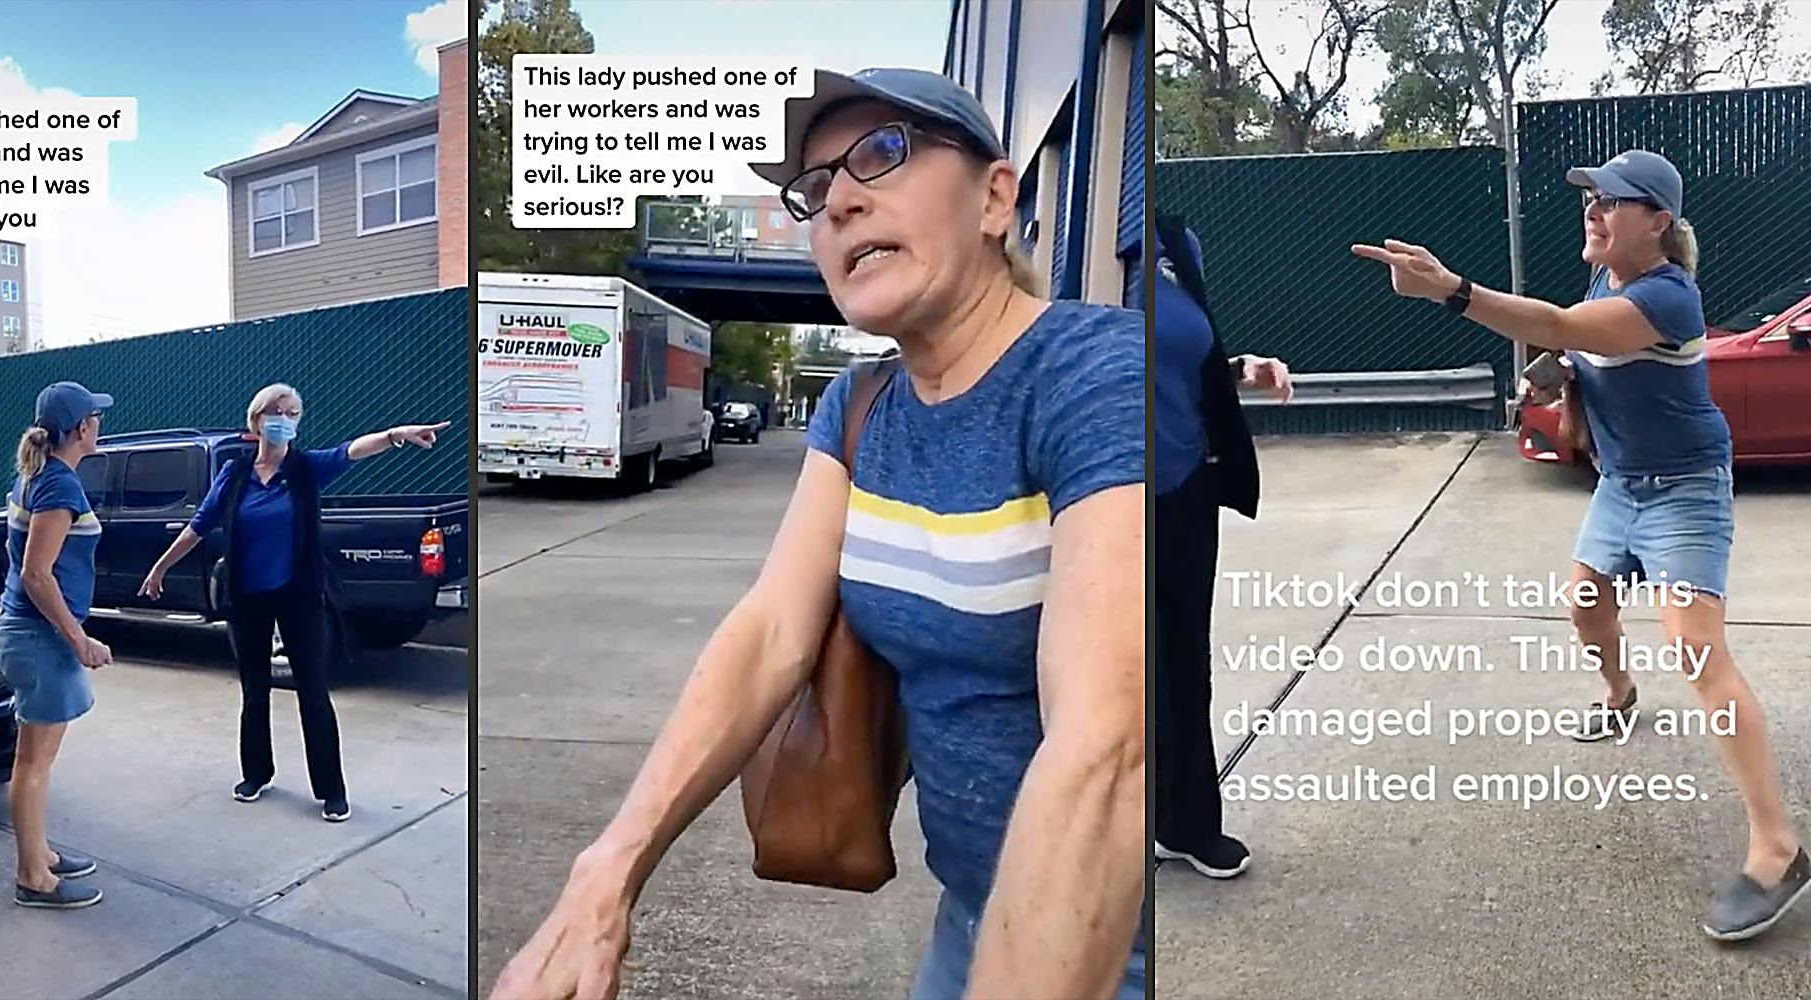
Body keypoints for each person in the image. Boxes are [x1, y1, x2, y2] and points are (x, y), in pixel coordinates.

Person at [491, 67, 1144, 1000]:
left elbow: (1105, 747)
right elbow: (770, 633)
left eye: (880, 153)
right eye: (811, 187)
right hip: (974, 914)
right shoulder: (860, 404)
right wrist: (604, 876)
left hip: (1105, 939)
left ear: (996, 197)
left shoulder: (1091, 373)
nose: (835, 198)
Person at [1353, 149, 1809, 941]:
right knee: (1585, 605)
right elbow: (1574, 342)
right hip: (1621, 482)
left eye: (1612, 202)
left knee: (1697, 653)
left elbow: (1563, 323)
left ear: (1658, 222)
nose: (1592, 212)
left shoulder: (1670, 295)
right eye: (1590, 198)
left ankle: (1779, 848)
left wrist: (1453, 291)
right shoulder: (1609, 275)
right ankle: (1620, 696)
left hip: (1684, 489)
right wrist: (1551, 372)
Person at [138, 384, 448, 824]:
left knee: (313, 692)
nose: (284, 418)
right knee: (254, 689)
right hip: (247, 597)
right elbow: (200, 524)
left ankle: (332, 791)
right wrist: (160, 568)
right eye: (276, 411)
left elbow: (351, 451)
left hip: (299, 596)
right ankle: (256, 773)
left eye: (293, 412)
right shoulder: (234, 473)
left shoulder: (306, 468)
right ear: (257, 419)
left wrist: (396, 434)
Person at [1151, 211, 1294, 881]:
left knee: (1183, 666)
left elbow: (1189, 359)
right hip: (1104, 493)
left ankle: (1185, 825)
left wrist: (1241, 367)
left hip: (1181, 490)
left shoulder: (1180, 242)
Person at [0, 381, 116, 910]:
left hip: (28, 634)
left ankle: (38, 853)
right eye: (95, 417)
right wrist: (79, 638)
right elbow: (36, 575)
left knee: (34, 757)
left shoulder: (38, 477)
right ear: (82, 429)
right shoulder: (59, 487)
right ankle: (33, 879)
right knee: (34, 762)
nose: (100, 423)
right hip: (40, 638)